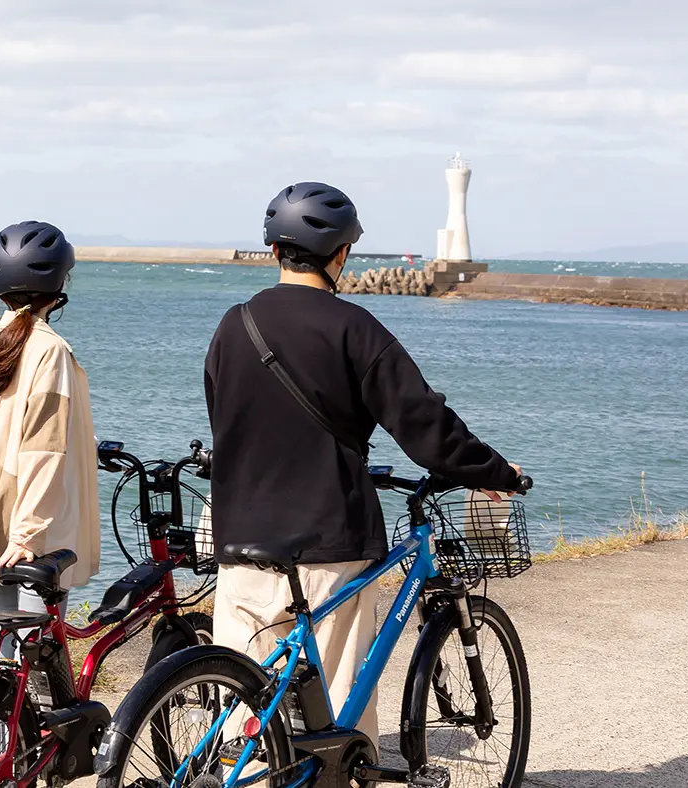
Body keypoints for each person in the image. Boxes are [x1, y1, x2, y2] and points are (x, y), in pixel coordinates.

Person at [203, 183, 522, 746]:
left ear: (275, 252)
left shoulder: (233, 325)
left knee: (246, 717)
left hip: (239, 541)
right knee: (335, 713)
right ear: (342, 255)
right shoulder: (355, 328)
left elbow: (226, 419)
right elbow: (425, 428)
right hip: (329, 547)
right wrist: (497, 473)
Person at [0, 220, 100, 664]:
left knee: (1, 661)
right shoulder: (49, 349)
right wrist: (29, 533)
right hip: (33, 524)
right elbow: (43, 447)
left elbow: (5, 429)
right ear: (59, 284)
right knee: (37, 660)